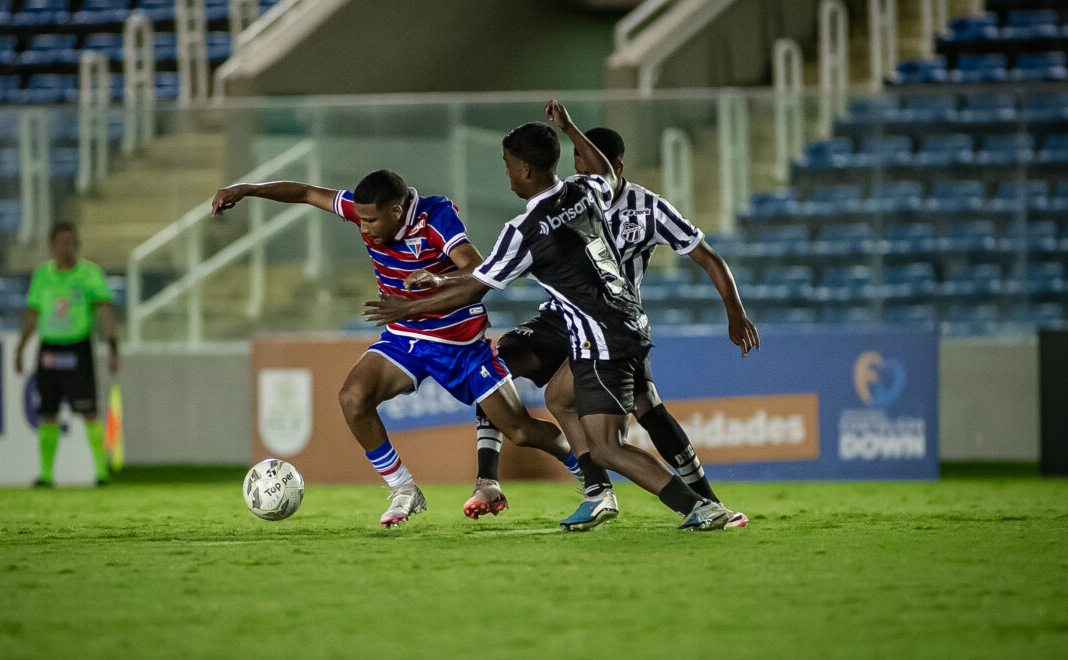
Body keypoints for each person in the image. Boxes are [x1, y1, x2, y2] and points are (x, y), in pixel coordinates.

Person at [365, 101, 734, 531]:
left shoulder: (525, 230)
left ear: (524, 169)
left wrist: (406, 307)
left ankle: (699, 506)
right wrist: (571, 128)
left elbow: (475, 286)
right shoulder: (584, 191)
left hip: (599, 342)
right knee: (559, 397)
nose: (505, 173)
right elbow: (610, 175)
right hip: (629, 322)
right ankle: (597, 495)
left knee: (609, 447)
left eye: (506, 164)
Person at [211, 169, 581, 528]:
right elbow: (307, 193)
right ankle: (403, 488)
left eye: (371, 220)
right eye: (361, 218)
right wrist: (247, 189)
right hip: (405, 337)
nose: (364, 227)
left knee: (520, 431)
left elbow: (478, 267)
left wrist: (437, 278)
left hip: (460, 342)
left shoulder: (436, 216)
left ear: (396, 212)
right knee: (353, 398)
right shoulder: (363, 211)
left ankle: (590, 474)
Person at [474, 126, 759, 531]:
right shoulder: (574, 194)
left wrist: (735, 311)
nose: (579, 168)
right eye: (574, 160)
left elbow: (707, 256)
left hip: (610, 325)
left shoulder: (646, 208)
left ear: (614, 166)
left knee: (643, 412)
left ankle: (704, 503)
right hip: (563, 318)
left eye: (586, 160)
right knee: (520, 375)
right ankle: (595, 493)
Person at [15, 221, 119, 487]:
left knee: (89, 412)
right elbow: (32, 313)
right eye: (60, 243)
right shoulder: (42, 276)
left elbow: (105, 312)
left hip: (78, 348)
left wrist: (113, 347)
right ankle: (47, 475)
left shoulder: (90, 274)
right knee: (47, 412)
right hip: (49, 349)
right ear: (51, 247)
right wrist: (21, 346)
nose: (66, 248)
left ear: (78, 244)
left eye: (70, 242)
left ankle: (100, 472)